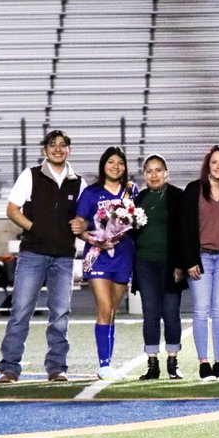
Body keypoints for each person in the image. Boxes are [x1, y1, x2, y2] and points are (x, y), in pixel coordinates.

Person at [0, 129, 85, 383]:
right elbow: (12, 209)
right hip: (32, 254)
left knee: (60, 314)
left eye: (63, 145)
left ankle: (56, 367)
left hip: (64, 257)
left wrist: (83, 224)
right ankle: (9, 368)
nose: (58, 149)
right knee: (20, 312)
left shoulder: (79, 183)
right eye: (52, 144)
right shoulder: (31, 175)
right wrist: (34, 228)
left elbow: (85, 218)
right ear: (44, 150)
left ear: (69, 149)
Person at [75, 147, 138, 380]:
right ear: (103, 165)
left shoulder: (131, 191)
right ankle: (104, 364)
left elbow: (138, 220)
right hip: (98, 256)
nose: (115, 166)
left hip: (123, 256)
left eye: (120, 163)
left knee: (112, 311)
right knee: (104, 308)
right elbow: (78, 226)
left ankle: (108, 362)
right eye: (111, 162)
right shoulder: (90, 193)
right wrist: (97, 241)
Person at [182, 144, 219, 382]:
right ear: (208, 165)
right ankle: (203, 363)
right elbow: (184, 227)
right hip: (200, 257)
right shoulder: (193, 189)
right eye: (214, 162)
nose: (218, 166)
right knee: (201, 309)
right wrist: (190, 260)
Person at [132, 154, 186, 380]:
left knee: (171, 312)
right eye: (149, 171)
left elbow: (185, 233)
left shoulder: (178, 196)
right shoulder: (139, 198)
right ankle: (152, 363)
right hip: (144, 263)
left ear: (166, 173)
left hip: (170, 264)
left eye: (158, 170)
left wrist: (180, 264)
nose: (154, 175)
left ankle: (173, 362)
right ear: (144, 175)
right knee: (150, 313)